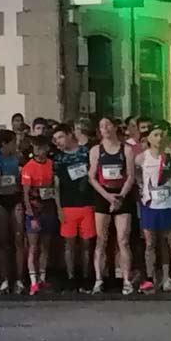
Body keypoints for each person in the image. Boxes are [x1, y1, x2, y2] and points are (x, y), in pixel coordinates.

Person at [135, 123, 171, 295]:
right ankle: (149, 278)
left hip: (169, 204)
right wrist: (143, 188)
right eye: (155, 135)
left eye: (161, 135)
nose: (159, 138)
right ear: (149, 138)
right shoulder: (141, 158)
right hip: (150, 205)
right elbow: (136, 174)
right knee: (150, 243)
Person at [89, 117, 137, 296]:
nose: (106, 129)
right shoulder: (96, 150)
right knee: (101, 239)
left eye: (108, 125)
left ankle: (126, 280)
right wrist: (107, 196)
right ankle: (98, 279)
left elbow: (130, 176)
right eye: (102, 126)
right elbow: (92, 176)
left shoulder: (127, 149)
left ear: (115, 127)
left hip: (122, 195)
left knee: (123, 240)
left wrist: (120, 197)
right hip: (104, 195)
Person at [52, 122, 97, 291]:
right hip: (67, 206)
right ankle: (71, 277)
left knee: (87, 244)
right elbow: (56, 186)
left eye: (61, 137)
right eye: (55, 139)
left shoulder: (86, 153)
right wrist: (58, 208)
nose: (58, 141)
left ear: (70, 134)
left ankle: (86, 276)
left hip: (87, 204)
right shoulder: (58, 158)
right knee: (69, 244)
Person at [21, 135, 58, 295]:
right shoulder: (28, 167)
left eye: (41, 147)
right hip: (34, 211)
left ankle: (42, 277)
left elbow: (54, 187)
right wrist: (30, 212)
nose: (38, 151)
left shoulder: (51, 164)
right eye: (36, 147)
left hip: (48, 208)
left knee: (45, 245)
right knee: (33, 246)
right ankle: (33, 281)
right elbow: (25, 193)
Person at [0, 129, 25, 294]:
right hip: (0, 200)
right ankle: (4, 279)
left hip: (15, 198)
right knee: (3, 241)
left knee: (18, 239)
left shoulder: (17, 158)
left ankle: (19, 279)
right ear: (4, 144)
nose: (16, 145)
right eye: (13, 142)